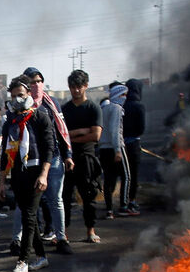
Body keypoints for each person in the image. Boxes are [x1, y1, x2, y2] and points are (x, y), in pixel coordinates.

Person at [0, 76, 55, 272]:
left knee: (29, 215)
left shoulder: (40, 116)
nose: (17, 100)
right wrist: (2, 182)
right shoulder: (10, 121)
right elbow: (6, 152)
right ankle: (42, 257)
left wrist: (44, 174)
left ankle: (23, 260)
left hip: (36, 172)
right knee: (27, 216)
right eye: (13, 96)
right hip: (18, 173)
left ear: (29, 94)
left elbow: (50, 147)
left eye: (20, 95)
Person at [23, 67, 74, 254]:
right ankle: (24, 242)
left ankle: (61, 238)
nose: (36, 85)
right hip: (31, 160)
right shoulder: (21, 105)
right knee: (29, 204)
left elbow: (62, 130)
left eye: (38, 81)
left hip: (54, 158)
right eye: (31, 82)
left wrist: (68, 155)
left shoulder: (51, 104)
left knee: (55, 200)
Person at [60, 69, 103, 243]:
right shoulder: (65, 110)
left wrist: (72, 135)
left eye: (79, 86)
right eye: (72, 87)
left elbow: (95, 136)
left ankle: (90, 231)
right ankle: (64, 234)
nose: (76, 90)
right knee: (64, 197)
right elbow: (61, 135)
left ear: (85, 86)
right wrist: (79, 131)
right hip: (68, 157)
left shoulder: (93, 108)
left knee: (89, 195)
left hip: (87, 157)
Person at [98, 83, 130, 219]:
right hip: (115, 147)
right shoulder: (117, 108)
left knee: (108, 180)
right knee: (126, 176)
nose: (125, 98)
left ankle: (109, 210)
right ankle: (124, 206)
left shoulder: (103, 108)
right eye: (124, 95)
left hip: (103, 149)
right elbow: (115, 130)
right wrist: (117, 150)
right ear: (119, 95)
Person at [122, 78, 146, 215]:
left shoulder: (122, 105)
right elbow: (141, 128)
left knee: (125, 175)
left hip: (121, 144)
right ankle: (132, 201)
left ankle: (123, 202)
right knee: (134, 175)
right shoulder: (139, 106)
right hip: (134, 144)